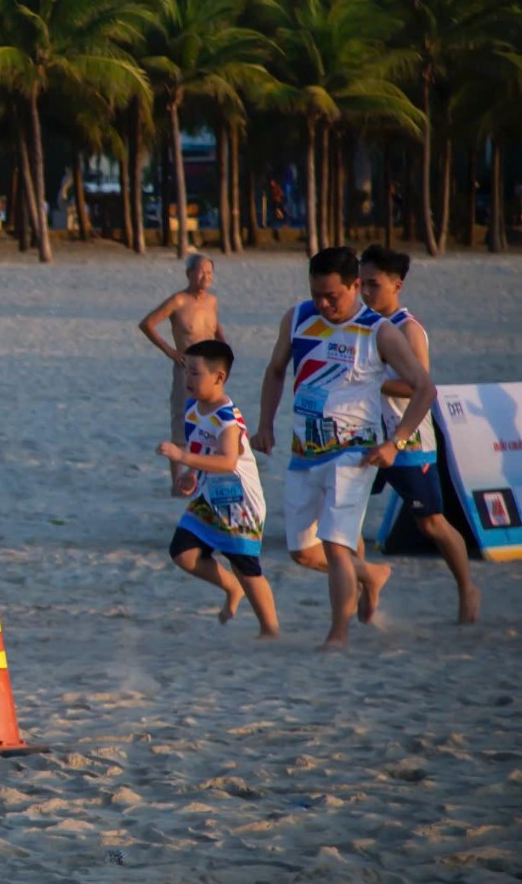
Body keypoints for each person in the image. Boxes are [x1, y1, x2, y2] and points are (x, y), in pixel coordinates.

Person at [252, 246, 436, 650]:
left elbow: (423, 388)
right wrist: (265, 424)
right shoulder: (299, 317)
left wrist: (396, 442)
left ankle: (338, 635)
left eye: (332, 295)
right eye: (316, 293)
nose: (323, 303)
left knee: (337, 545)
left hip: (355, 452)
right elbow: (276, 369)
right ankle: (370, 574)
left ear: (355, 286)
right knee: (302, 551)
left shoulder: (379, 331)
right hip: (305, 452)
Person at [358, 245, 481, 624]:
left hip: (407, 441)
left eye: (373, 285)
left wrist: (370, 383)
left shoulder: (408, 329)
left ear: (397, 285)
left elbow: (420, 386)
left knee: (432, 524)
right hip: (363, 436)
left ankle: (466, 589)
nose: (364, 293)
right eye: (360, 284)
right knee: (349, 515)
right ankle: (366, 584)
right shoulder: (362, 324)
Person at [155, 340, 279, 638]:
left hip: (240, 503)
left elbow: (226, 460)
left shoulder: (227, 418)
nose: (188, 380)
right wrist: (190, 472)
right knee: (182, 552)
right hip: (210, 494)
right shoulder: (192, 408)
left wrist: (182, 457)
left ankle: (270, 630)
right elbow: (201, 447)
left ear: (219, 377)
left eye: (195, 374)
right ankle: (230, 587)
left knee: (246, 566)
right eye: (186, 372)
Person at [139, 254, 225, 494]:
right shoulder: (179, 300)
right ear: (189, 274)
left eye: (209, 273)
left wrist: (224, 351)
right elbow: (147, 324)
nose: (205, 277)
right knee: (182, 425)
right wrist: (170, 351)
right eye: (200, 272)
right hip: (186, 370)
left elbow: (215, 328)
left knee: (213, 422)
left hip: (210, 371)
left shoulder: (212, 301)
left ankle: (203, 477)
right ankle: (178, 484)